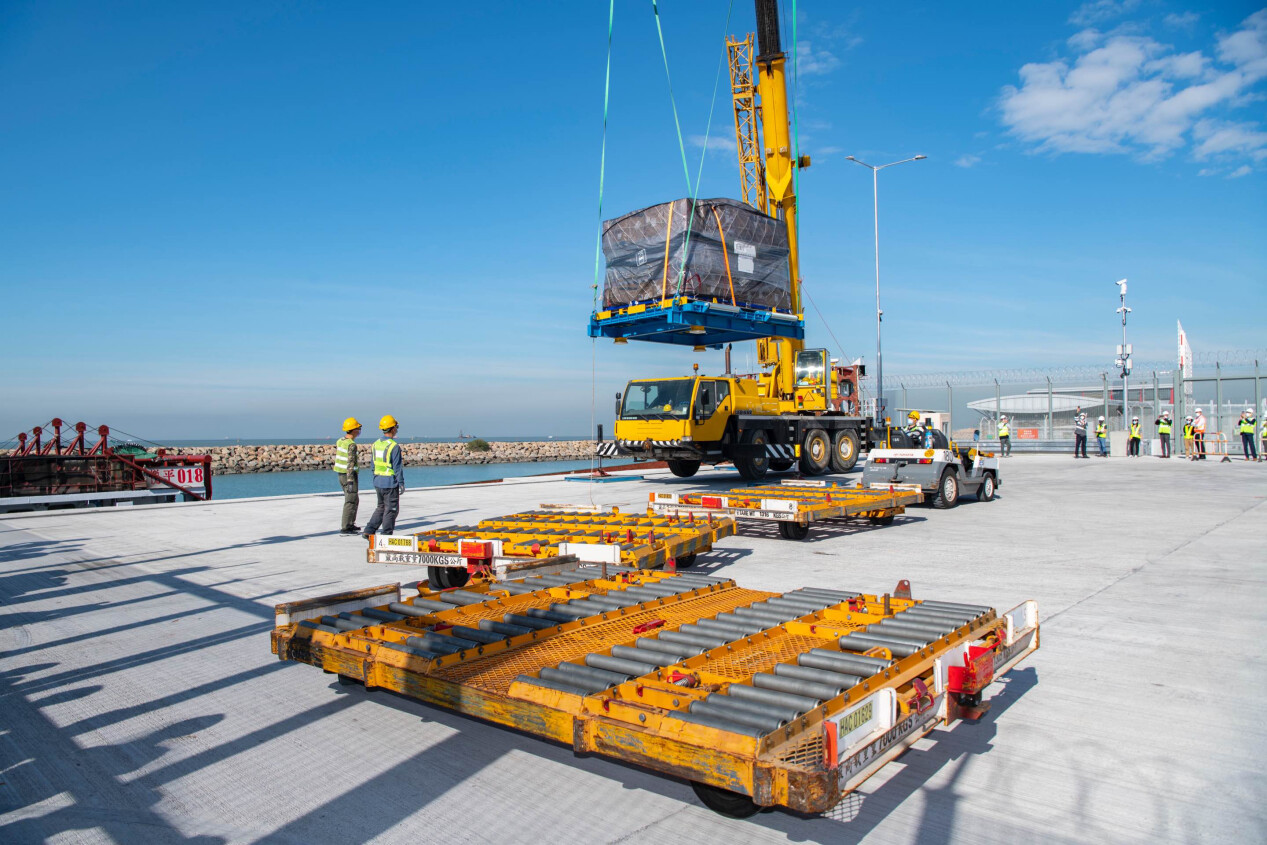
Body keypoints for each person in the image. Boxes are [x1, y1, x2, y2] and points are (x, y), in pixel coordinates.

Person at [362, 415, 405, 538]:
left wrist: (375, 477)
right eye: (396, 427)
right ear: (392, 429)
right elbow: (397, 467)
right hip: (390, 482)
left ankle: (369, 530)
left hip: (378, 481)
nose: (396, 429)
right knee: (391, 509)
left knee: (381, 507)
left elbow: (373, 464)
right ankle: (386, 535)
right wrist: (401, 483)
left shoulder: (375, 444)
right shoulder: (394, 446)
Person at [335, 417, 362, 535]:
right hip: (349, 476)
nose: (359, 430)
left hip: (341, 474)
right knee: (350, 500)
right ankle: (346, 526)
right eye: (358, 428)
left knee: (354, 499)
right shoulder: (351, 445)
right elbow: (350, 463)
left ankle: (351, 523)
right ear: (354, 430)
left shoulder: (340, 441)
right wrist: (351, 481)